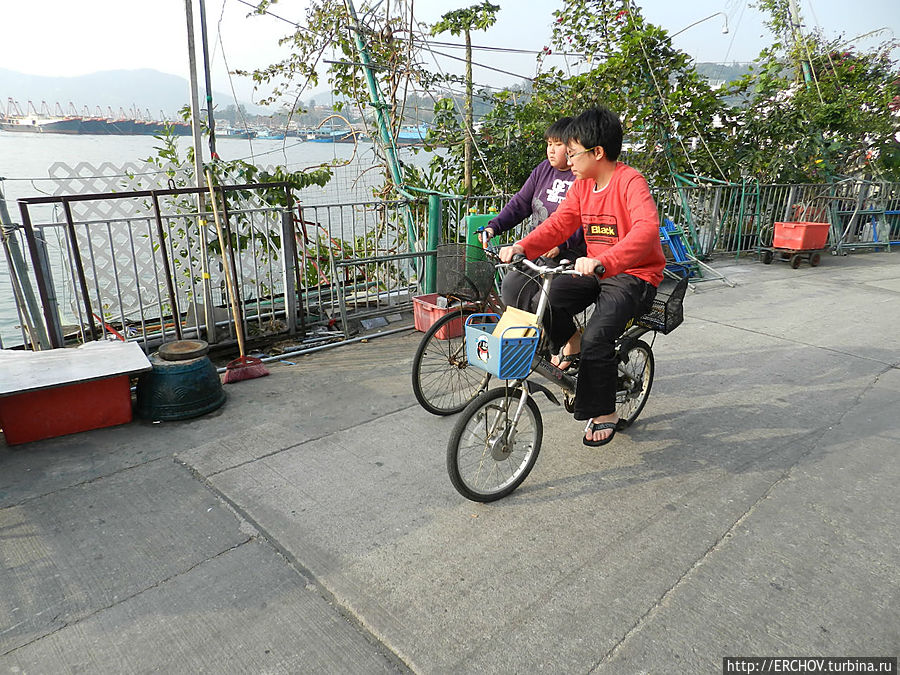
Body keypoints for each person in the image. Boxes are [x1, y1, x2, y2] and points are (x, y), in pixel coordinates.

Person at [499, 106, 666, 447]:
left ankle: (604, 411)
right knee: (538, 299)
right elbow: (559, 224)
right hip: (595, 267)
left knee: (598, 338)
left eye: (573, 153)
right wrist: (522, 246)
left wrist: (604, 259)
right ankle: (569, 341)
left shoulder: (629, 182)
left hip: (633, 274)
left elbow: (647, 230)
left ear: (598, 152)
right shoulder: (582, 185)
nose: (568, 161)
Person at [481, 117, 585, 315]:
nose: (551, 150)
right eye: (549, 144)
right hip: (537, 249)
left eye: (558, 144)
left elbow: (583, 220)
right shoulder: (543, 170)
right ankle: (533, 340)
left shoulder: (581, 174)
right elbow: (519, 203)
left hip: (567, 255)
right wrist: (494, 226)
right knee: (511, 287)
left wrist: (561, 245)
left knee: (545, 302)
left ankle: (568, 337)